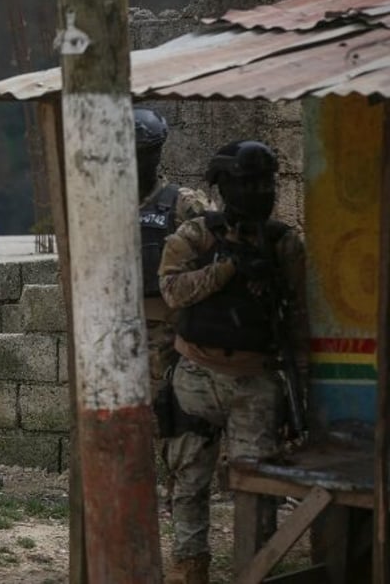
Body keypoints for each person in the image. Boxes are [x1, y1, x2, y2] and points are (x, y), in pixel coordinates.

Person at [158, 140, 309, 584]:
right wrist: (227, 271)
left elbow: (300, 320)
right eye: (249, 183)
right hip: (196, 377)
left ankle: (254, 570)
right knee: (188, 484)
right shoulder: (196, 236)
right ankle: (190, 571)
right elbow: (172, 293)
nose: (260, 192)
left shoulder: (283, 244)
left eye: (267, 183)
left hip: (255, 382)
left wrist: (302, 385)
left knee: (257, 490)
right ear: (225, 186)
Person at [134, 107, 211, 441]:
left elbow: (216, 255)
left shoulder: (183, 205)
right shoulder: (102, 204)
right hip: (118, 332)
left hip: (171, 332)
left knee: (171, 414)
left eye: (144, 155)